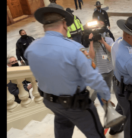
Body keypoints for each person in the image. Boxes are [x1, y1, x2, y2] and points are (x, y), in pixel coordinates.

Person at [24, 3, 113, 138]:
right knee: (96, 134)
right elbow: (93, 77)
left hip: (51, 102)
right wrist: (106, 97)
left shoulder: (31, 48)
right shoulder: (74, 49)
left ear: (44, 26)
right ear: (64, 24)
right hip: (76, 104)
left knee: (62, 126)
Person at [87, 20, 115, 104]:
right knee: (95, 90)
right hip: (99, 72)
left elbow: (111, 50)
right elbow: (91, 56)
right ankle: (89, 104)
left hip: (109, 70)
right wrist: (91, 42)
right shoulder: (93, 43)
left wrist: (103, 41)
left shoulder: (109, 39)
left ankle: (107, 104)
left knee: (108, 89)